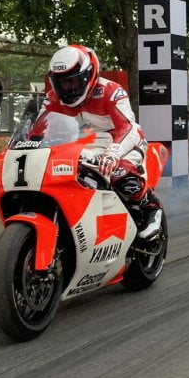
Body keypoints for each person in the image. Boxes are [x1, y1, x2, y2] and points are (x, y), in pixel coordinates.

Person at [41, 44, 159, 237]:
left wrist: (113, 154)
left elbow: (127, 128)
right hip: (83, 148)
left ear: (90, 75)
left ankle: (151, 208)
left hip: (124, 143)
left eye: (75, 81)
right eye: (63, 83)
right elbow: (39, 129)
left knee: (119, 174)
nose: (69, 88)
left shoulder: (111, 91)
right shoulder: (52, 98)